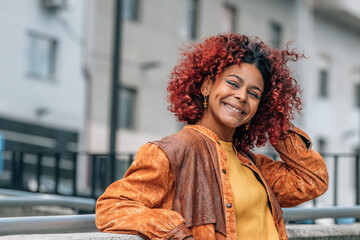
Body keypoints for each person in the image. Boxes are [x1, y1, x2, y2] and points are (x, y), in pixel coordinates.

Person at [95, 33, 329, 240]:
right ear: (207, 86)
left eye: (254, 94)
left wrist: (276, 122)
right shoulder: (171, 152)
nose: (241, 96)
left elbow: (312, 181)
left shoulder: (252, 165)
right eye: (233, 83)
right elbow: (112, 208)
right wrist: (174, 232)